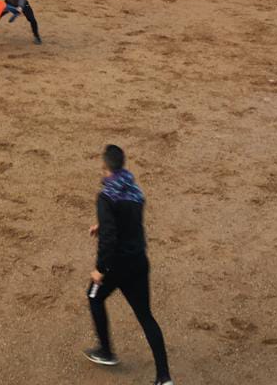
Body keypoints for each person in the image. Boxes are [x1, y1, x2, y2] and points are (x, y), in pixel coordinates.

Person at [83, 145, 172, 385]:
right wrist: (103, 223)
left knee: (93, 296)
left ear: (106, 169)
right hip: (139, 263)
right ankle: (164, 377)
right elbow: (127, 221)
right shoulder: (134, 191)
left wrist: (100, 269)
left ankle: (106, 351)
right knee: (146, 317)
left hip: (116, 266)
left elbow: (110, 239)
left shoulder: (105, 197)